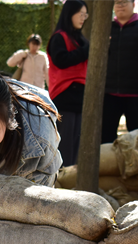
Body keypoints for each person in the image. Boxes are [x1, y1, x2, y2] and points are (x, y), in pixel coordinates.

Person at [101, 0, 138, 143]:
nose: (120, 5)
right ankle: (108, 165)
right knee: (105, 136)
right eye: (117, 2)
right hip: (109, 93)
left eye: (124, 1)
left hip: (136, 93)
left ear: (133, 4)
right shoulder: (107, 29)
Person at [46, 0, 89, 166]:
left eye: (85, 15)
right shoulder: (59, 37)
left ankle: (70, 175)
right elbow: (61, 60)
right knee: (65, 142)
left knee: (76, 140)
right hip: (64, 94)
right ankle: (62, 176)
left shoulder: (80, 38)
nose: (83, 18)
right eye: (81, 14)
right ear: (70, 13)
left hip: (80, 95)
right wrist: (86, 51)